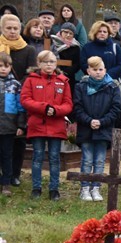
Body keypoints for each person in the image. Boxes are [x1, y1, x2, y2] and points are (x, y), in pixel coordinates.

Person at [20, 50, 73, 200]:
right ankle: (36, 188)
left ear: (56, 63)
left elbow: (68, 104)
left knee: (55, 158)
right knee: (37, 156)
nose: (49, 65)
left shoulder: (63, 81)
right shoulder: (31, 80)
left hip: (56, 125)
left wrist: (56, 110)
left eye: (51, 62)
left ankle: (54, 189)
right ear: (39, 64)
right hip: (37, 125)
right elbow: (25, 100)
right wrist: (43, 108)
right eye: (45, 62)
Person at [72, 56, 121, 201]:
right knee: (86, 159)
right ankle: (85, 187)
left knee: (100, 160)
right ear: (88, 70)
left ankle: (96, 187)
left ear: (105, 70)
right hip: (86, 129)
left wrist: (102, 122)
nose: (98, 72)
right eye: (94, 70)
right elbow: (77, 107)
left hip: (104, 129)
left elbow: (116, 109)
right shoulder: (81, 86)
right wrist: (89, 121)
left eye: (100, 69)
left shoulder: (112, 87)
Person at [1, 14, 36, 188]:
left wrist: (17, 87)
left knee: (18, 138)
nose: (13, 31)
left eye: (16, 28)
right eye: (9, 28)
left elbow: (31, 73)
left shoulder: (28, 50)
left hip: (21, 97)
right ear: (2, 29)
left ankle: (14, 173)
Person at [0, 52, 24, 196]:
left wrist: (21, 125)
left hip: (9, 127)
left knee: (7, 155)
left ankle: (6, 183)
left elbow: (20, 107)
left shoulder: (15, 84)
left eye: (6, 66)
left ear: (11, 67)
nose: (3, 69)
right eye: (0, 66)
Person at [50, 22, 81, 96]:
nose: (68, 35)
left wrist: (66, 72)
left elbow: (77, 63)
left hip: (69, 77)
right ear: (61, 32)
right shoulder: (52, 42)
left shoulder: (76, 46)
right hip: (53, 74)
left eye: (71, 33)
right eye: (66, 32)